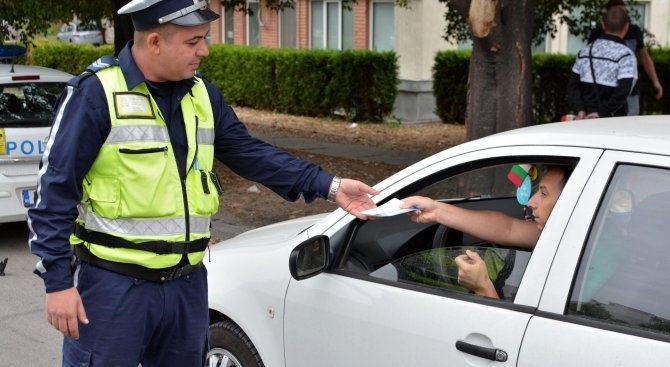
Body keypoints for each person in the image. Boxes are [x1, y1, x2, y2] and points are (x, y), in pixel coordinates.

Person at [26, 0, 378, 366]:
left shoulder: (202, 95)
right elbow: (53, 191)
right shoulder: (95, 94)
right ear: (155, 42)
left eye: (204, 39)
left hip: (187, 286)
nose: (204, 50)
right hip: (114, 288)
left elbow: (251, 153)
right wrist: (58, 283)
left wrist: (331, 186)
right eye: (193, 41)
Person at [400, 165, 572, 299]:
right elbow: (508, 229)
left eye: (543, 194)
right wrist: (436, 210)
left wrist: (483, 286)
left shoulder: (587, 270)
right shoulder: (566, 235)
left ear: (571, 201)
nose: (531, 202)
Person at [587, 0, 663, 115]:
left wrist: (655, 81)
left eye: (623, 12)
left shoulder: (634, 31)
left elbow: (645, 58)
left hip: (630, 92)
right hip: (605, 92)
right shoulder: (597, 33)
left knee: (630, 126)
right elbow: (588, 61)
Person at [567, 6, 637, 119]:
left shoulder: (585, 51)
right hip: (612, 120)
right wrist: (602, 112)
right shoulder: (626, 55)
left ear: (603, 25)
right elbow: (624, 90)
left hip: (584, 118)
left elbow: (573, 86)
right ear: (626, 27)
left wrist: (580, 109)